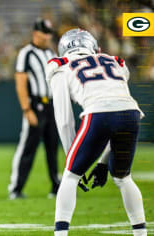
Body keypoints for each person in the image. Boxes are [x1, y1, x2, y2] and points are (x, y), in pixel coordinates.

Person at [47, 29, 147, 236]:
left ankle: (60, 234)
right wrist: (102, 163)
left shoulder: (61, 66)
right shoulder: (113, 61)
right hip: (131, 113)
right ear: (93, 47)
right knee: (122, 177)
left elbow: (64, 121)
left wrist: (72, 160)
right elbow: (117, 108)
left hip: (98, 113)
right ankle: (141, 234)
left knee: (70, 176)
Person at [8, 18, 60, 199]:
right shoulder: (26, 53)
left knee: (53, 147)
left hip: (52, 105)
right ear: (35, 33)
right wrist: (27, 109)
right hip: (35, 105)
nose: (47, 36)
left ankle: (56, 186)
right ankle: (16, 188)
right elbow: (20, 81)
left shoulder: (52, 53)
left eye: (49, 33)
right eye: (44, 32)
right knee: (28, 147)